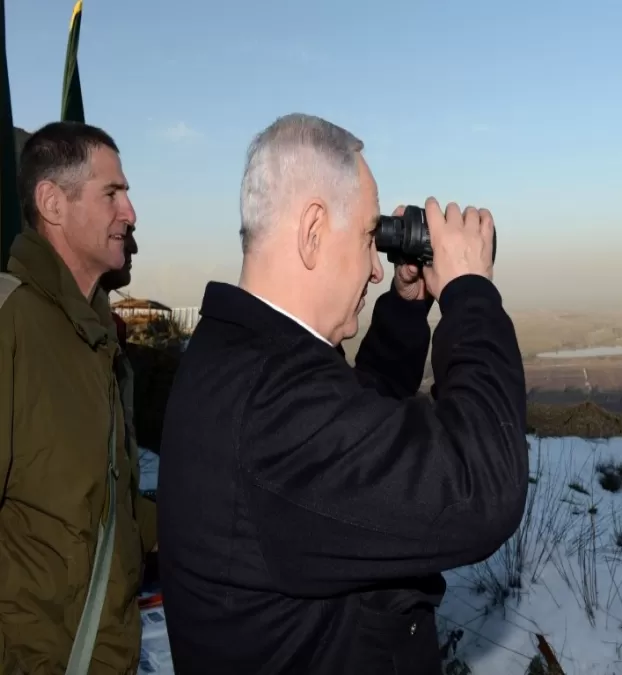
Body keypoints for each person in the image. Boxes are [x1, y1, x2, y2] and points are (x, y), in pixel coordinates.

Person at [156, 113, 529, 674]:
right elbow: (481, 488)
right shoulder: (272, 406)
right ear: (312, 231)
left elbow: (355, 433)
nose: (376, 272)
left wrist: (407, 309)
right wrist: (469, 294)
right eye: (365, 238)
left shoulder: (242, 358)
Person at [0, 121, 157, 675]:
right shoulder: (11, 323)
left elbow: (101, 505)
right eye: (112, 193)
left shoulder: (93, 338)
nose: (130, 213)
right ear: (53, 203)